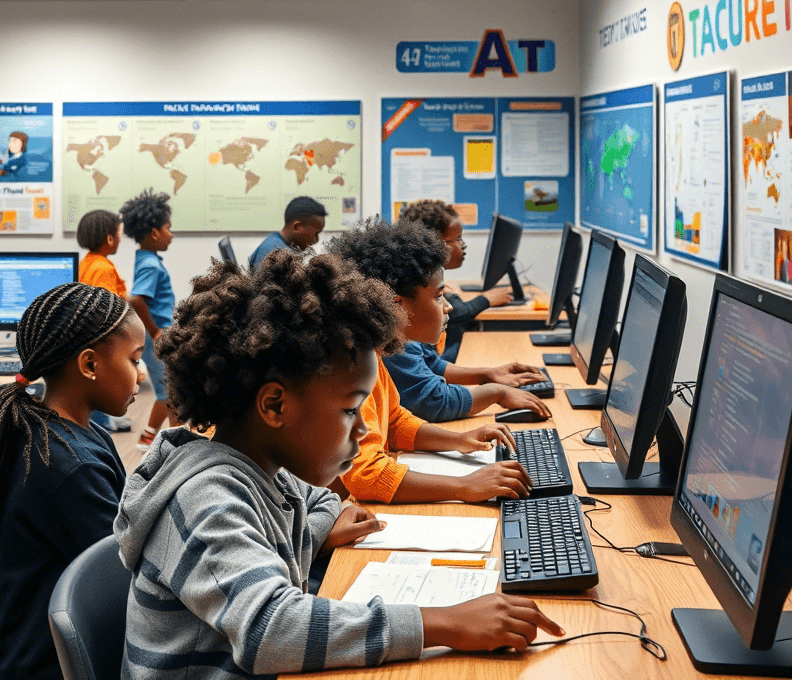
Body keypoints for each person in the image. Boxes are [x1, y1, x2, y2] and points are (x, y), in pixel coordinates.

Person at [114, 249, 563, 679]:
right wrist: (442, 622)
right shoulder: (205, 500)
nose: (364, 431)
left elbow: (320, 503)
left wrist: (314, 530)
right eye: (351, 410)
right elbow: (270, 628)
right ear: (275, 405)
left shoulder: (266, 470)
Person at [0, 283, 145, 680]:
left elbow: (123, 521)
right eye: (134, 359)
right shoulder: (70, 466)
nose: (142, 373)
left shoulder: (62, 432)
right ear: (89, 365)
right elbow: (124, 573)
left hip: (30, 626)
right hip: (48, 655)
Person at [326, 217, 542, 504]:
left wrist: (459, 440)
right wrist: (463, 486)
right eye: (439, 296)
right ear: (397, 307)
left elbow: (393, 421)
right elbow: (366, 474)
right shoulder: (352, 367)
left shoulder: (372, 353)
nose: (449, 306)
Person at [400, 200, 544, 380]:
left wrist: (489, 375)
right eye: (457, 239)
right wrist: (485, 299)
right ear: (435, 242)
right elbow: (457, 312)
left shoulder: (428, 278)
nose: (463, 245)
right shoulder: (414, 285)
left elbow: (432, 363)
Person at [123, 188, 178, 450]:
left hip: (155, 335)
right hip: (154, 337)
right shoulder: (151, 265)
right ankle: (178, 444)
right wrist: (156, 331)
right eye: (168, 228)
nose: (171, 234)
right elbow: (136, 300)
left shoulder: (147, 259)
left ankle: (148, 437)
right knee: (171, 393)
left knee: (167, 392)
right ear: (154, 233)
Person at [76, 209, 135, 432]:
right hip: (101, 337)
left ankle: (103, 420)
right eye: (119, 234)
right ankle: (102, 423)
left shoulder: (87, 263)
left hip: (88, 335)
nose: (120, 239)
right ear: (110, 239)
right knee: (101, 382)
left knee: (94, 380)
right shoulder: (103, 268)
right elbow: (109, 306)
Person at [247, 195, 327, 269]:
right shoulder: (272, 252)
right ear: (297, 227)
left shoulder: (288, 247)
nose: (317, 240)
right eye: (316, 234)